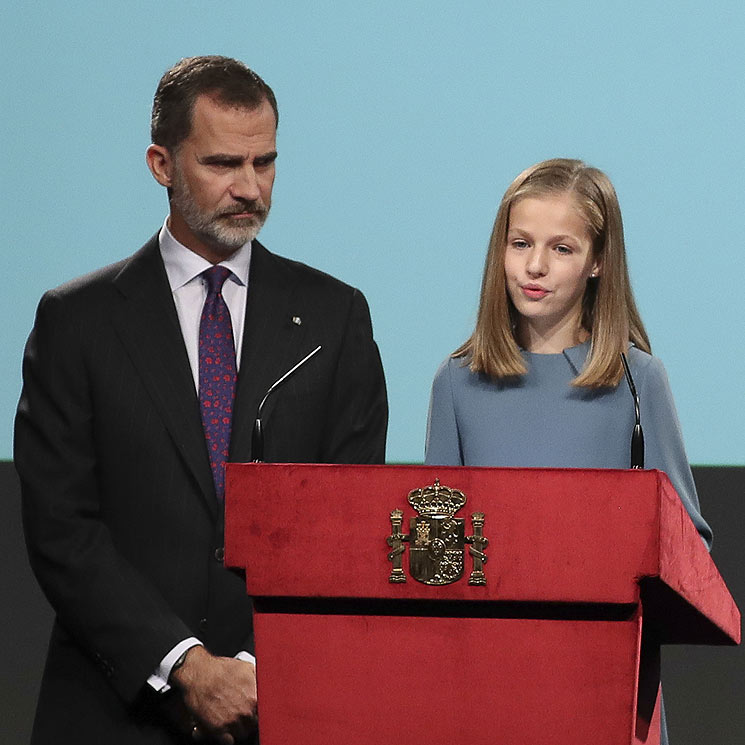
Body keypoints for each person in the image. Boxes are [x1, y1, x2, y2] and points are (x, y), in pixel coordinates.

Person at [15, 56, 387, 745]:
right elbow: (63, 527)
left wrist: (251, 664)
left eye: (265, 162)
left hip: (285, 705)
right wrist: (185, 664)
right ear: (161, 163)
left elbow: (347, 517)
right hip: (114, 710)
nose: (250, 188)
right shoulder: (78, 319)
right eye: (222, 164)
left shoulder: (335, 317)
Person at [424, 158, 710, 744]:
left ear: (598, 262)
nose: (534, 266)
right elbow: (436, 556)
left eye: (561, 249)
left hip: (606, 686)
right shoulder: (457, 383)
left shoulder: (637, 380)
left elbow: (689, 547)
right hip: (487, 687)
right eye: (521, 243)